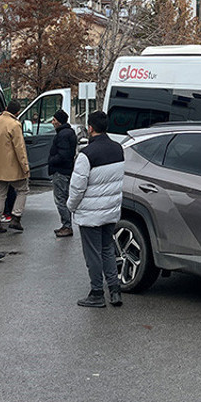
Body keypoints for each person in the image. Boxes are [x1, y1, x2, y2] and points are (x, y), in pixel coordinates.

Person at [69, 111, 125, 308]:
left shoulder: (86, 155)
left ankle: (96, 293)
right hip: (110, 211)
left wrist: (71, 206)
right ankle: (115, 291)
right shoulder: (118, 149)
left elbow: (77, 187)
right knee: (107, 249)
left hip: (91, 214)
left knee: (92, 254)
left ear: (90, 128)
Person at [0, 100, 31, 233]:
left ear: (5, 108)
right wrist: (25, 167)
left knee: (0, 193)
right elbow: (20, 148)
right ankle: (16, 217)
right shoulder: (15, 124)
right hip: (13, 167)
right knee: (23, 190)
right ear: (17, 112)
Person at [48, 109, 78, 238]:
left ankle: (67, 226)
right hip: (66, 170)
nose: (52, 122)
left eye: (54, 120)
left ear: (59, 121)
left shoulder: (62, 135)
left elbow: (63, 154)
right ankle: (66, 224)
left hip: (60, 171)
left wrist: (51, 161)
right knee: (64, 198)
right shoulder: (68, 133)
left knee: (60, 199)